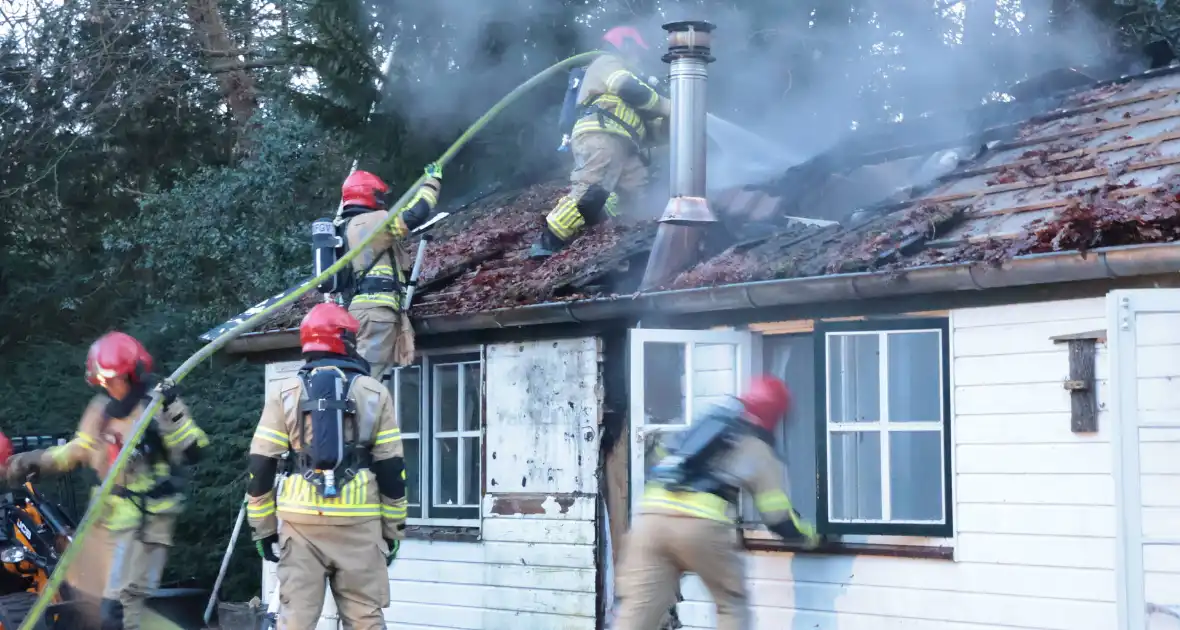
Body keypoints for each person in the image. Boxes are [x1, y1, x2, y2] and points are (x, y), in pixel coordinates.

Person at [4, 331, 208, 630]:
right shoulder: (101, 410)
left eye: (114, 378)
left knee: (119, 610)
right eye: (103, 380)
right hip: (108, 524)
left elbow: (193, 450)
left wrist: (173, 412)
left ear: (133, 373)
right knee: (92, 603)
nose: (109, 385)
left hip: (145, 525)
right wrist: (37, 460)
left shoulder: (156, 406)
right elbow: (79, 449)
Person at [246, 302, 406, 630]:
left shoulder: (284, 393)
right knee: (365, 619)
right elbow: (392, 469)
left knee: (295, 620)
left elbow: (260, 465)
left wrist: (262, 529)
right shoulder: (375, 393)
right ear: (346, 340)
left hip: (300, 524)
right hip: (360, 525)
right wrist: (393, 531)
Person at [613, 375, 819, 630]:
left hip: (650, 521)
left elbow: (657, 461)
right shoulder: (757, 447)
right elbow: (778, 518)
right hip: (699, 527)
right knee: (731, 603)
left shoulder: (704, 425)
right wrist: (812, 536)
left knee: (638, 608)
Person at [529, 25, 671, 259]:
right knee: (591, 189)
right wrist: (668, 106)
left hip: (625, 147)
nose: (639, 57)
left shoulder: (631, 94)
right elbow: (625, 86)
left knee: (634, 196)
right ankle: (547, 243)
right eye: (637, 50)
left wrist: (675, 122)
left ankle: (619, 241)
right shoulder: (607, 63)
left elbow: (650, 132)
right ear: (624, 44)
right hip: (601, 136)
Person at [339, 165, 442, 381]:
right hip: (377, 313)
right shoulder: (373, 222)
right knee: (366, 380)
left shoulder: (346, 227)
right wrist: (432, 181)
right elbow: (416, 213)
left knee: (368, 376)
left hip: (358, 312)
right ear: (370, 195)